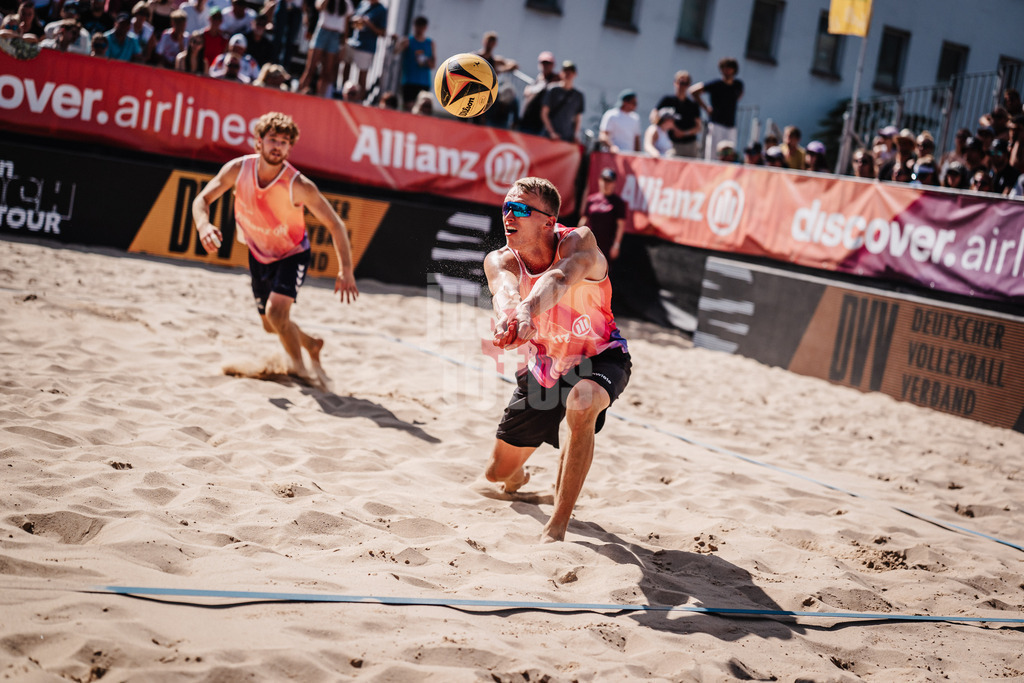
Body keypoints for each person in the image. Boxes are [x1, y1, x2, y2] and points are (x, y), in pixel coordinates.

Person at [483, 176, 631, 543]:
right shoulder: (500, 260)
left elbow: (560, 278)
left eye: (520, 209)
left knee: (582, 403)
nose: (508, 215)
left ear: (549, 221)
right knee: (496, 474)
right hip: (545, 367)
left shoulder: (579, 242)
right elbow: (503, 292)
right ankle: (518, 479)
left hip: (600, 356)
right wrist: (508, 318)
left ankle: (557, 526)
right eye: (506, 206)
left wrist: (527, 310)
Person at [192, 112, 358, 388]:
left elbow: (335, 224)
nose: (277, 146)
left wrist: (346, 270)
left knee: (277, 315)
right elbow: (202, 199)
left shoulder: (299, 185)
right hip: (258, 253)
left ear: (290, 147)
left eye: (284, 142)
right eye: (272, 140)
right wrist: (203, 226)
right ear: (259, 142)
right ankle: (311, 344)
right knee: (271, 325)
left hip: (292, 253)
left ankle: (300, 370)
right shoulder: (238, 169)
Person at [689, 56, 744, 161]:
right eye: (724, 67)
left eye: (729, 67)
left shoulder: (738, 85)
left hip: (731, 125)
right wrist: (706, 108)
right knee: (713, 155)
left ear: (734, 69)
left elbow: (739, 95)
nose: (727, 70)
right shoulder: (716, 84)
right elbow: (693, 91)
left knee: (730, 155)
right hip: (716, 123)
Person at [578, 168, 627, 261]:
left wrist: (616, 245)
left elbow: (620, 226)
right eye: (604, 180)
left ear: (614, 183)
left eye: (609, 181)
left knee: (603, 268)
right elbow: (584, 220)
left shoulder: (618, 203)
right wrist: (577, 236)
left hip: (606, 246)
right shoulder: (591, 199)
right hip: (590, 243)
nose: (606, 184)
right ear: (599, 181)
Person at [651, 70, 701, 158]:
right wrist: (664, 126)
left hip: (690, 144)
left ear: (688, 85)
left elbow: (698, 127)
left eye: (685, 83)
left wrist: (684, 133)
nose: (682, 86)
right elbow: (654, 115)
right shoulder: (667, 100)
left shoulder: (693, 105)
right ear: (675, 83)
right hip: (671, 143)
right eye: (680, 82)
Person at [343, 0, 385, 95]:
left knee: (362, 76)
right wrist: (356, 20)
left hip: (366, 46)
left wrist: (368, 23)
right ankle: (343, 94)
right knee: (346, 68)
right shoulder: (363, 3)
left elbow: (382, 32)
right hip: (353, 42)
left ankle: (359, 98)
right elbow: (352, 18)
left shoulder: (382, 10)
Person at [395, 15, 433, 111]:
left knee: (422, 109)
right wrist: (399, 43)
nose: (419, 29)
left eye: (422, 27)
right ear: (414, 26)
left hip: (424, 81)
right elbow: (395, 52)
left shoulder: (430, 43)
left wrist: (425, 61)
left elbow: (433, 65)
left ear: (425, 28)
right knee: (408, 108)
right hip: (409, 81)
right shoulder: (408, 41)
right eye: (418, 26)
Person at [540, 60, 583, 143]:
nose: (568, 74)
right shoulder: (553, 90)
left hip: (567, 137)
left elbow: (578, 118)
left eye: (571, 72)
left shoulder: (578, 95)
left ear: (575, 74)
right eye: (566, 71)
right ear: (561, 73)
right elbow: (544, 113)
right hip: (550, 137)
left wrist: (575, 135)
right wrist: (551, 132)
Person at [518, 50, 558, 136]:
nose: (545, 66)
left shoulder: (555, 80)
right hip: (525, 121)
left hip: (538, 125)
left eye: (548, 63)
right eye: (543, 63)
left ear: (553, 65)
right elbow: (527, 92)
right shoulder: (539, 78)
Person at [598, 89, 642, 154]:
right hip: (612, 156)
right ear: (625, 102)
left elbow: (637, 139)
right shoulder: (611, 115)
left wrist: (638, 155)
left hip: (629, 156)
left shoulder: (635, 118)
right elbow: (603, 135)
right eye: (633, 103)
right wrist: (611, 147)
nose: (635, 106)